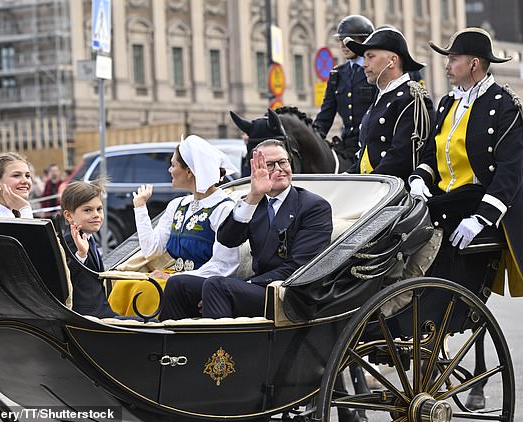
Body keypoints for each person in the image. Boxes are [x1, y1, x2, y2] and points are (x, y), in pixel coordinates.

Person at [409, 27, 523, 411]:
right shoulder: (447, 103)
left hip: (476, 201)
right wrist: (419, 179)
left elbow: (509, 172)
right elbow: (429, 152)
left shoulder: (503, 105)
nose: (446, 65)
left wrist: (483, 218)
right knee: (397, 217)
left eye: (452, 59)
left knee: (417, 224)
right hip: (443, 199)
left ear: (474, 64)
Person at [159, 139, 333, 320]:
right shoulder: (254, 202)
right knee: (178, 283)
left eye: (283, 162)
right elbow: (228, 239)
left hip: (292, 293)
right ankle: (171, 343)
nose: (279, 169)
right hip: (259, 286)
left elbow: (298, 267)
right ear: (257, 170)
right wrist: (253, 196)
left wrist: (246, 283)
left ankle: (216, 347)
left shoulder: (314, 206)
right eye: (270, 165)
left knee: (217, 286)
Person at [108, 135, 240, 315]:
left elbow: (224, 266)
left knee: (147, 291)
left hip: (198, 282)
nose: (169, 170)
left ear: (189, 172)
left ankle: (145, 339)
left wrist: (174, 278)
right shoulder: (178, 205)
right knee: (125, 284)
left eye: (173, 165)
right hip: (171, 276)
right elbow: (152, 250)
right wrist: (140, 207)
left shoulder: (223, 208)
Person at [343, 27, 434, 181]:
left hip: (394, 191)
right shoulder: (381, 97)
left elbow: (401, 158)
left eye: (370, 57)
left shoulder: (411, 98)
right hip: (373, 186)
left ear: (392, 61)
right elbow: (366, 155)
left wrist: (368, 184)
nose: (364, 64)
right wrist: (347, 177)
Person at [313, 15, 376, 163]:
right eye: (341, 40)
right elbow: (325, 116)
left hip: (371, 145)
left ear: (364, 41)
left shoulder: (375, 72)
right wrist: (313, 136)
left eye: (348, 40)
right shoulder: (337, 74)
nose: (342, 45)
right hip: (347, 146)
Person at [60, 180, 119, 318]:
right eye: (88, 210)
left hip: (103, 312)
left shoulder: (88, 237)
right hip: (88, 317)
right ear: (69, 216)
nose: (96, 214)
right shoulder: (71, 241)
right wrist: (81, 254)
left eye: (99, 209)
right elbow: (65, 278)